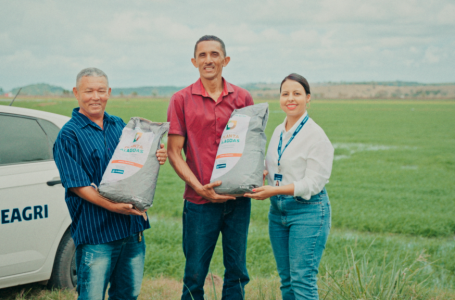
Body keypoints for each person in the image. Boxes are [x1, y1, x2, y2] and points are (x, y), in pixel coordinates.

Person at [53, 68, 168, 300]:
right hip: (97, 235)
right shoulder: (69, 135)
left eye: (101, 91)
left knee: (128, 294)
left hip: (131, 230)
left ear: (109, 92)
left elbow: (136, 165)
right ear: (76, 93)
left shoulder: (120, 126)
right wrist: (114, 206)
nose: (95, 96)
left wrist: (157, 156)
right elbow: (78, 186)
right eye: (89, 91)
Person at [167, 35, 254, 300]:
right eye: (202, 55)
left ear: (225, 60)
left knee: (237, 271)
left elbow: (251, 147)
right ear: (194, 62)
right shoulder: (180, 100)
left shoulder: (242, 97)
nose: (209, 60)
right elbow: (173, 152)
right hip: (198, 202)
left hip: (237, 201)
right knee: (194, 274)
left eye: (214, 54)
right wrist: (200, 189)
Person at [245, 73, 334, 300]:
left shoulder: (316, 136)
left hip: (308, 211)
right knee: (287, 282)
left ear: (308, 98)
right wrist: (261, 173)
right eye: (285, 94)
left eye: (297, 93)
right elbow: (273, 165)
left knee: (302, 281)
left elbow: (314, 183)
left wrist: (274, 190)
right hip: (278, 212)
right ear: (280, 98)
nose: (290, 98)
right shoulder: (278, 131)